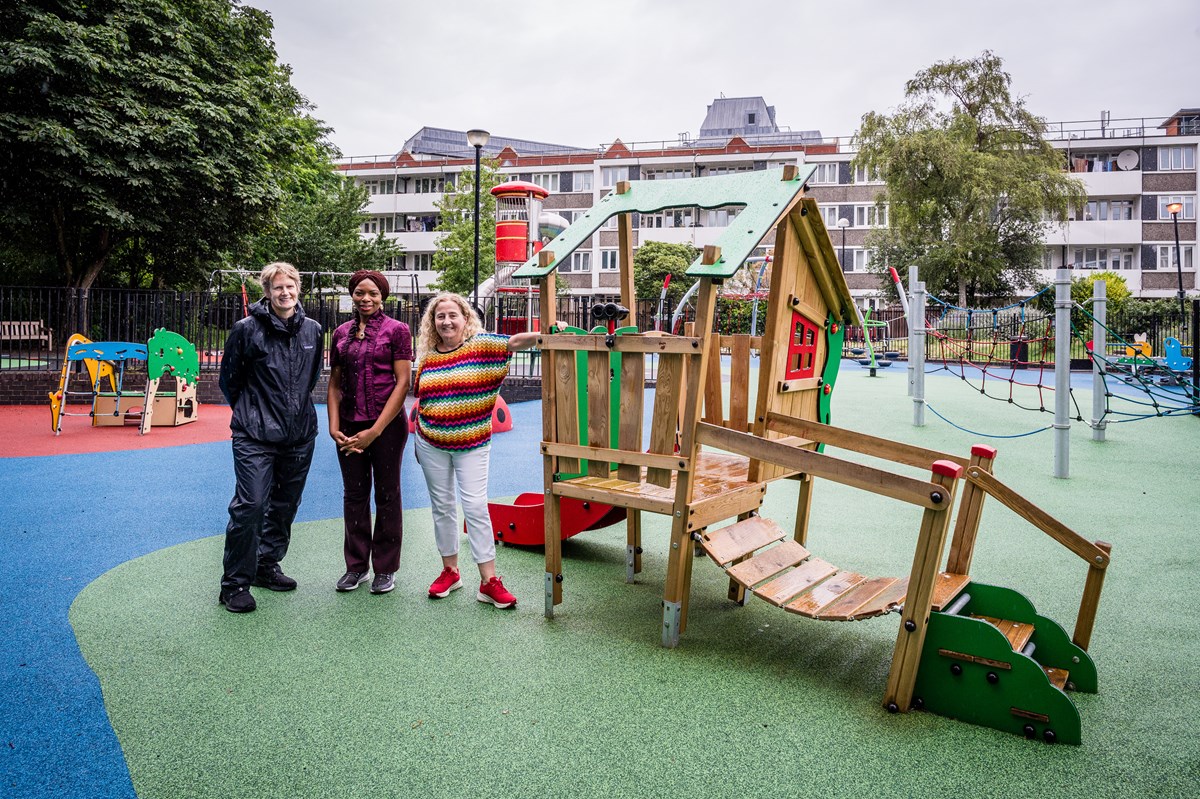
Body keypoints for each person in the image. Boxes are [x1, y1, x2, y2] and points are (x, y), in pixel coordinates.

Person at [414, 292, 560, 609]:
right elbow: (423, 398)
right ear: (432, 322)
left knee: (476, 507)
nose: (446, 321)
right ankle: (450, 571)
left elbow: (515, 342)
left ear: (465, 318)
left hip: (472, 444)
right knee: (442, 508)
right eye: (440, 316)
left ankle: (488, 580)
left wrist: (545, 334)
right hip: (430, 443)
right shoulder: (427, 356)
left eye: (453, 315)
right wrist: (420, 439)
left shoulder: (481, 346)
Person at [218, 262, 324, 613]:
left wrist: (293, 415)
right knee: (251, 505)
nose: (285, 293)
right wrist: (252, 413)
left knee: (283, 506)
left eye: (290, 286)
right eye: (277, 287)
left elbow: (307, 381)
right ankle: (234, 583)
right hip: (255, 434)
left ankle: (266, 564)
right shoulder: (246, 330)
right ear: (267, 291)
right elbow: (229, 380)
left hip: (299, 434)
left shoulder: (312, 330)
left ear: (298, 289)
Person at [327, 270, 412, 595]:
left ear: (383, 297)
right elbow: (335, 383)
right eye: (360, 293)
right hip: (349, 425)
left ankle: (385, 568)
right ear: (353, 295)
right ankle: (356, 566)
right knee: (354, 495)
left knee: (387, 495)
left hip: (386, 427)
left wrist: (375, 431)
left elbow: (402, 383)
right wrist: (334, 425)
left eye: (373, 294)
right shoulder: (342, 333)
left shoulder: (397, 331)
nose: (366, 298)